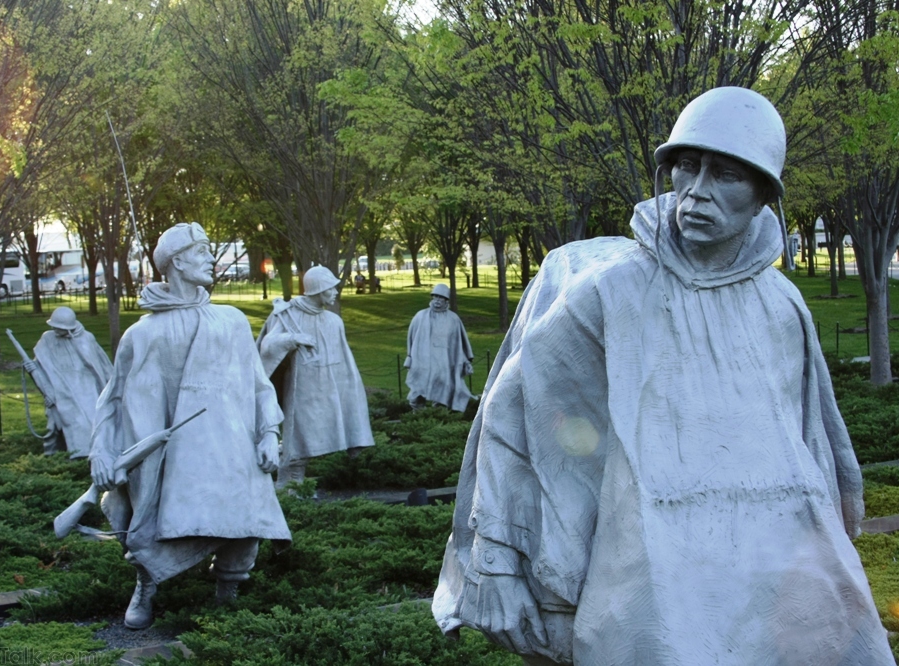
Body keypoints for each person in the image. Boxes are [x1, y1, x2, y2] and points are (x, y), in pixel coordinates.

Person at [433, 87, 893, 665]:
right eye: (686, 167)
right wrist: (497, 566)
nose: (698, 192)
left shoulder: (782, 305)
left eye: (725, 174)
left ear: (761, 197)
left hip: (766, 576)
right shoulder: (608, 291)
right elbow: (518, 422)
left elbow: (810, 441)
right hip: (647, 580)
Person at [88, 222, 289, 630]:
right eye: (202, 252)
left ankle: (227, 595)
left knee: (244, 518)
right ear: (177, 261)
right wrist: (101, 451)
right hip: (172, 457)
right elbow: (112, 396)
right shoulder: (142, 334)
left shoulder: (230, 321)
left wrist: (269, 432)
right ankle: (146, 585)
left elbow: (257, 385)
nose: (212, 259)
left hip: (232, 447)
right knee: (156, 523)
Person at [256, 265, 375, 489]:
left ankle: (297, 488)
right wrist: (293, 338)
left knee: (313, 440)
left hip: (326, 389)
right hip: (301, 388)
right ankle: (289, 486)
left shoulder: (334, 321)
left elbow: (345, 364)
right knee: (297, 441)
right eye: (331, 289)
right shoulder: (287, 313)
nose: (335, 293)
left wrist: (349, 395)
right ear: (318, 290)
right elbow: (267, 346)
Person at [23, 307, 112, 458]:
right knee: (64, 422)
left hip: (85, 386)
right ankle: (64, 456)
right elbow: (41, 362)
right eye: (55, 327)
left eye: (60, 328)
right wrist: (33, 366)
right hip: (60, 388)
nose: (56, 330)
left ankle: (91, 454)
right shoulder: (47, 338)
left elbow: (100, 365)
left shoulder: (86, 338)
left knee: (89, 421)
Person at [404, 283, 474, 412]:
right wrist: (409, 356)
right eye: (435, 297)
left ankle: (439, 413)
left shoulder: (453, 319)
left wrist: (465, 361)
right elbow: (411, 338)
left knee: (444, 385)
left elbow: (458, 342)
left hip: (444, 359)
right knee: (419, 387)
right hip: (423, 358)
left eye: (440, 298)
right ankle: (418, 412)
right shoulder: (420, 316)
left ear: (446, 300)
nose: (437, 300)